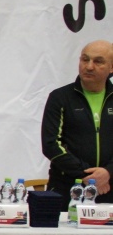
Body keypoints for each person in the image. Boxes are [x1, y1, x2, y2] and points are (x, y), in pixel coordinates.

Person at [41, 39, 113, 210]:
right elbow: (51, 144)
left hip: (109, 187)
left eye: (98, 61)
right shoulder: (60, 97)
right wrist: (88, 175)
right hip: (67, 188)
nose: (89, 66)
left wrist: (108, 172)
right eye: (85, 59)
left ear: (111, 68)